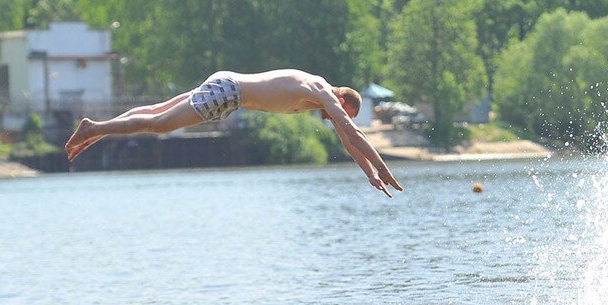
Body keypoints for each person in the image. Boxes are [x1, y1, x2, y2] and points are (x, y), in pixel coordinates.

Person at [65, 69, 404, 197]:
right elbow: (354, 134)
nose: (336, 118)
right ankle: (95, 128)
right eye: (343, 112)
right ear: (342, 97)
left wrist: (369, 174)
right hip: (231, 94)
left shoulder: (317, 92)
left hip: (228, 86)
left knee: (156, 112)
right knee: (161, 124)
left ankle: (96, 131)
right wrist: (384, 168)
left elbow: (347, 140)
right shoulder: (322, 91)